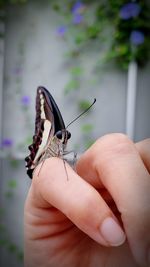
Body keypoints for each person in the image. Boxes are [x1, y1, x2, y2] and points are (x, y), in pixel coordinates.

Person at [24, 133, 150, 267]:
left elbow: (68, 156)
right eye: (62, 136)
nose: (64, 139)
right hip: (41, 160)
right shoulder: (51, 143)